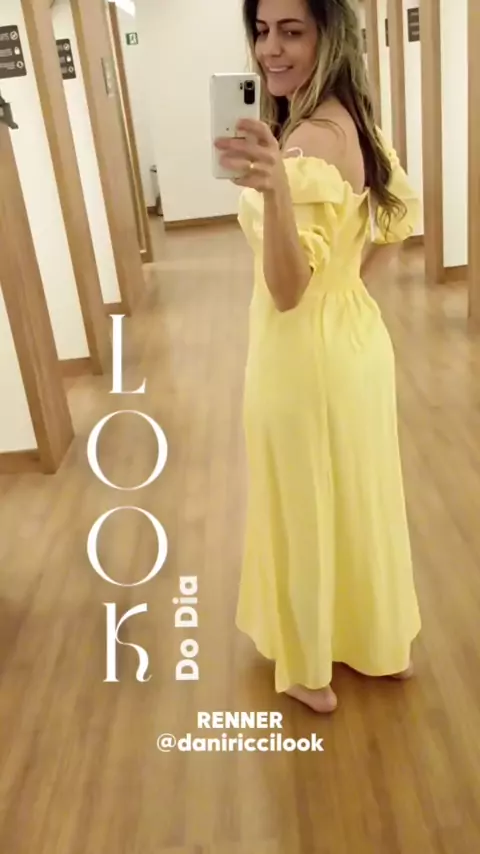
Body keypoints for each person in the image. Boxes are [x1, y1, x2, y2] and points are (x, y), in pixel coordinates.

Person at [214, 0, 422, 713]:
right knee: (360, 497)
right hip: (358, 344)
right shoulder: (355, 122)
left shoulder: (303, 144)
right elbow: (398, 222)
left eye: (291, 31)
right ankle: (380, 643)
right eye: (261, 30)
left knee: (301, 504)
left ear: (329, 36)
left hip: (299, 359)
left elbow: (286, 291)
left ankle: (308, 668)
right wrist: (345, 286)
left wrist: (276, 190)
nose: (270, 49)